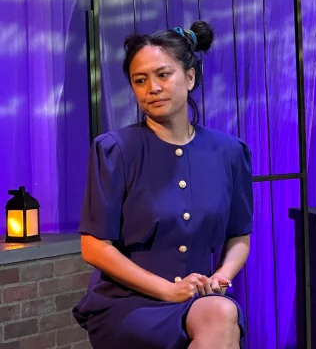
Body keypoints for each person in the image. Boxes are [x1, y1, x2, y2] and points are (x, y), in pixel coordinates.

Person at [72, 20, 253, 349]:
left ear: (190, 77)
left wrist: (221, 275)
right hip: (127, 303)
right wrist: (167, 289)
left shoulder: (229, 152)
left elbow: (239, 235)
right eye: (140, 81)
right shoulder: (115, 150)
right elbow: (94, 247)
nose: (151, 88)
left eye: (162, 75)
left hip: (194, 295)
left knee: (223, 313)